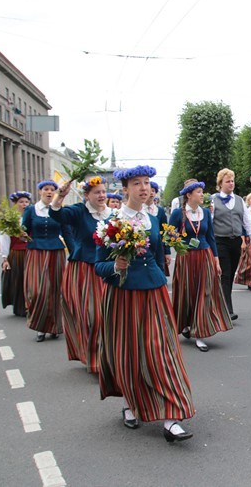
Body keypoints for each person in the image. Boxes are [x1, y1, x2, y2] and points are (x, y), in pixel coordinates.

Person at [95, 165, 194, 442]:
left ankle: (172, 416)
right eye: (136, 183)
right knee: (129, 352)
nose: (143, 187)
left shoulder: (154, 216)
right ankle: (129, 402)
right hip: (124, 294)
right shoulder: (111, 222)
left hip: (154, 291)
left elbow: (160, 252)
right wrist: (115, 264)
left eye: (147, 182)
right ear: (125, 189)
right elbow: (98, 265)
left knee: (164, 351)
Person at [49, 177, 111, 373]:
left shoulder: (113, 214)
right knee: (92, 316)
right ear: (87, 195)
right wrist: (60, 195)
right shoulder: (78, 211)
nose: (102, 196)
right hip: (84, 269)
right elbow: (57, 214)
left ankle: (108, 357)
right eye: (97, 192)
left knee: (108, 316)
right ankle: (94, 359)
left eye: (103, 192)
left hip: (108, 270)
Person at [169, 179, 232, 352]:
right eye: (198, 192)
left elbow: (211, 237)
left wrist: (216, 260)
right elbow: (168, 235)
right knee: (187, 293)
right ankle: (187, 325)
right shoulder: (178, 214)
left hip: (205, 256)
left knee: (204, 293)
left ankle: (200, 333)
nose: (201, 195)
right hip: (186, 258)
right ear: (189, 195)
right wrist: (178, 246)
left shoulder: (205, 212)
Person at [21, 180, 65, 342]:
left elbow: (66, 230)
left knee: (55, 290)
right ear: (40, 192)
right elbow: (24, 228)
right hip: (36, 252)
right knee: (38, 290)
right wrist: (21, 234)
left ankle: (54, 327)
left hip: (56, 252)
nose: (49, 192)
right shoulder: (31, 210)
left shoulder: (59, 210)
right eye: (46, 189)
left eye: (52, 190)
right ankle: (40, 326)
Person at [212, 169, 251, 320]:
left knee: (230, 274)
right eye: (227, 181)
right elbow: (209, 221)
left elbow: (247, 221)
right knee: (225, 274)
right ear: (220, 184)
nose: (231, 184)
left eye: (232, 181)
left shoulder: (239, 200)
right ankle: (228, 310)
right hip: (220, 241)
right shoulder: (213, 200)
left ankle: (221, 304)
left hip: (236, 241)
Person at [0, 192, 31, 317]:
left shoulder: (32, 216)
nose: (24, 204)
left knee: (31, 280)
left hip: (31, 252)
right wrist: (4, 258)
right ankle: (20, 306)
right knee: (18, 280)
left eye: (26, 202)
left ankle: (31, 305)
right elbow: (4, 239)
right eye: (21, 202)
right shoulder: (11, 219)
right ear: (15, 204)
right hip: (17, 253)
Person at [146, 181, 171, 276]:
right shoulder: (140, 210)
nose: (151, 193)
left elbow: (165, 231)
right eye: (150, 190)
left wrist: (167, 252)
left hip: (158, 247)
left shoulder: (159, 210)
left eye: (153, 191)